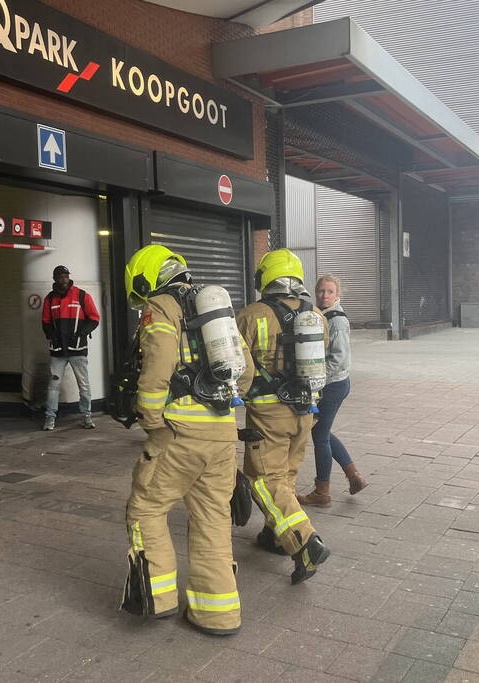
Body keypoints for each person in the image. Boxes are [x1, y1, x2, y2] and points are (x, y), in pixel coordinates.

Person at [120, 245, 253, 636]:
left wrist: (151, 420)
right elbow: (244, 376)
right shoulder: (213, 310)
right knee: (212, 518)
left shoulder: (160, 307)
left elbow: (157, 364)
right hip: (223, 435)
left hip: (178, 434)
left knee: (145, 508)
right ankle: (217, 615)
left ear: (146, 278)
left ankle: (158, 599)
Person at [237, 249, 332, 584]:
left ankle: (305, 541)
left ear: (266, 276)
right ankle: (275, 536)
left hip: (268, 415)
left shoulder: (251, 315)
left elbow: (240, 368)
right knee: (286, 476)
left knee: (263, 480)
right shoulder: (316, 315)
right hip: (306, 412)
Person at [296, 275, 367, 507]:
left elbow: (337, 359)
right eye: (320, 291)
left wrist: (313, 377)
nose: (324, 296)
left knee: (320, 435)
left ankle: (322, 492)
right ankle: (353, 476)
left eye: (329, 292)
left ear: (338, 295)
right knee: (322, 432)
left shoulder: (336, 320)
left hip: (332, 384)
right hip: (332, 384)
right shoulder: (322, 316)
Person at [42, 265, 100, 430]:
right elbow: (45, 322)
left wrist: (82, 332)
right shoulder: (49, 299)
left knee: (84, 384)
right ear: (55, 279)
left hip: (77, 349)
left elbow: (94, 318)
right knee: (53, 386)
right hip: (58, 351)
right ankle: (50, 418)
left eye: (66, 276)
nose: (64, 279)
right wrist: (52, 336)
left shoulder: (82, 296)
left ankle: (87, 417)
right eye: (60, 277)